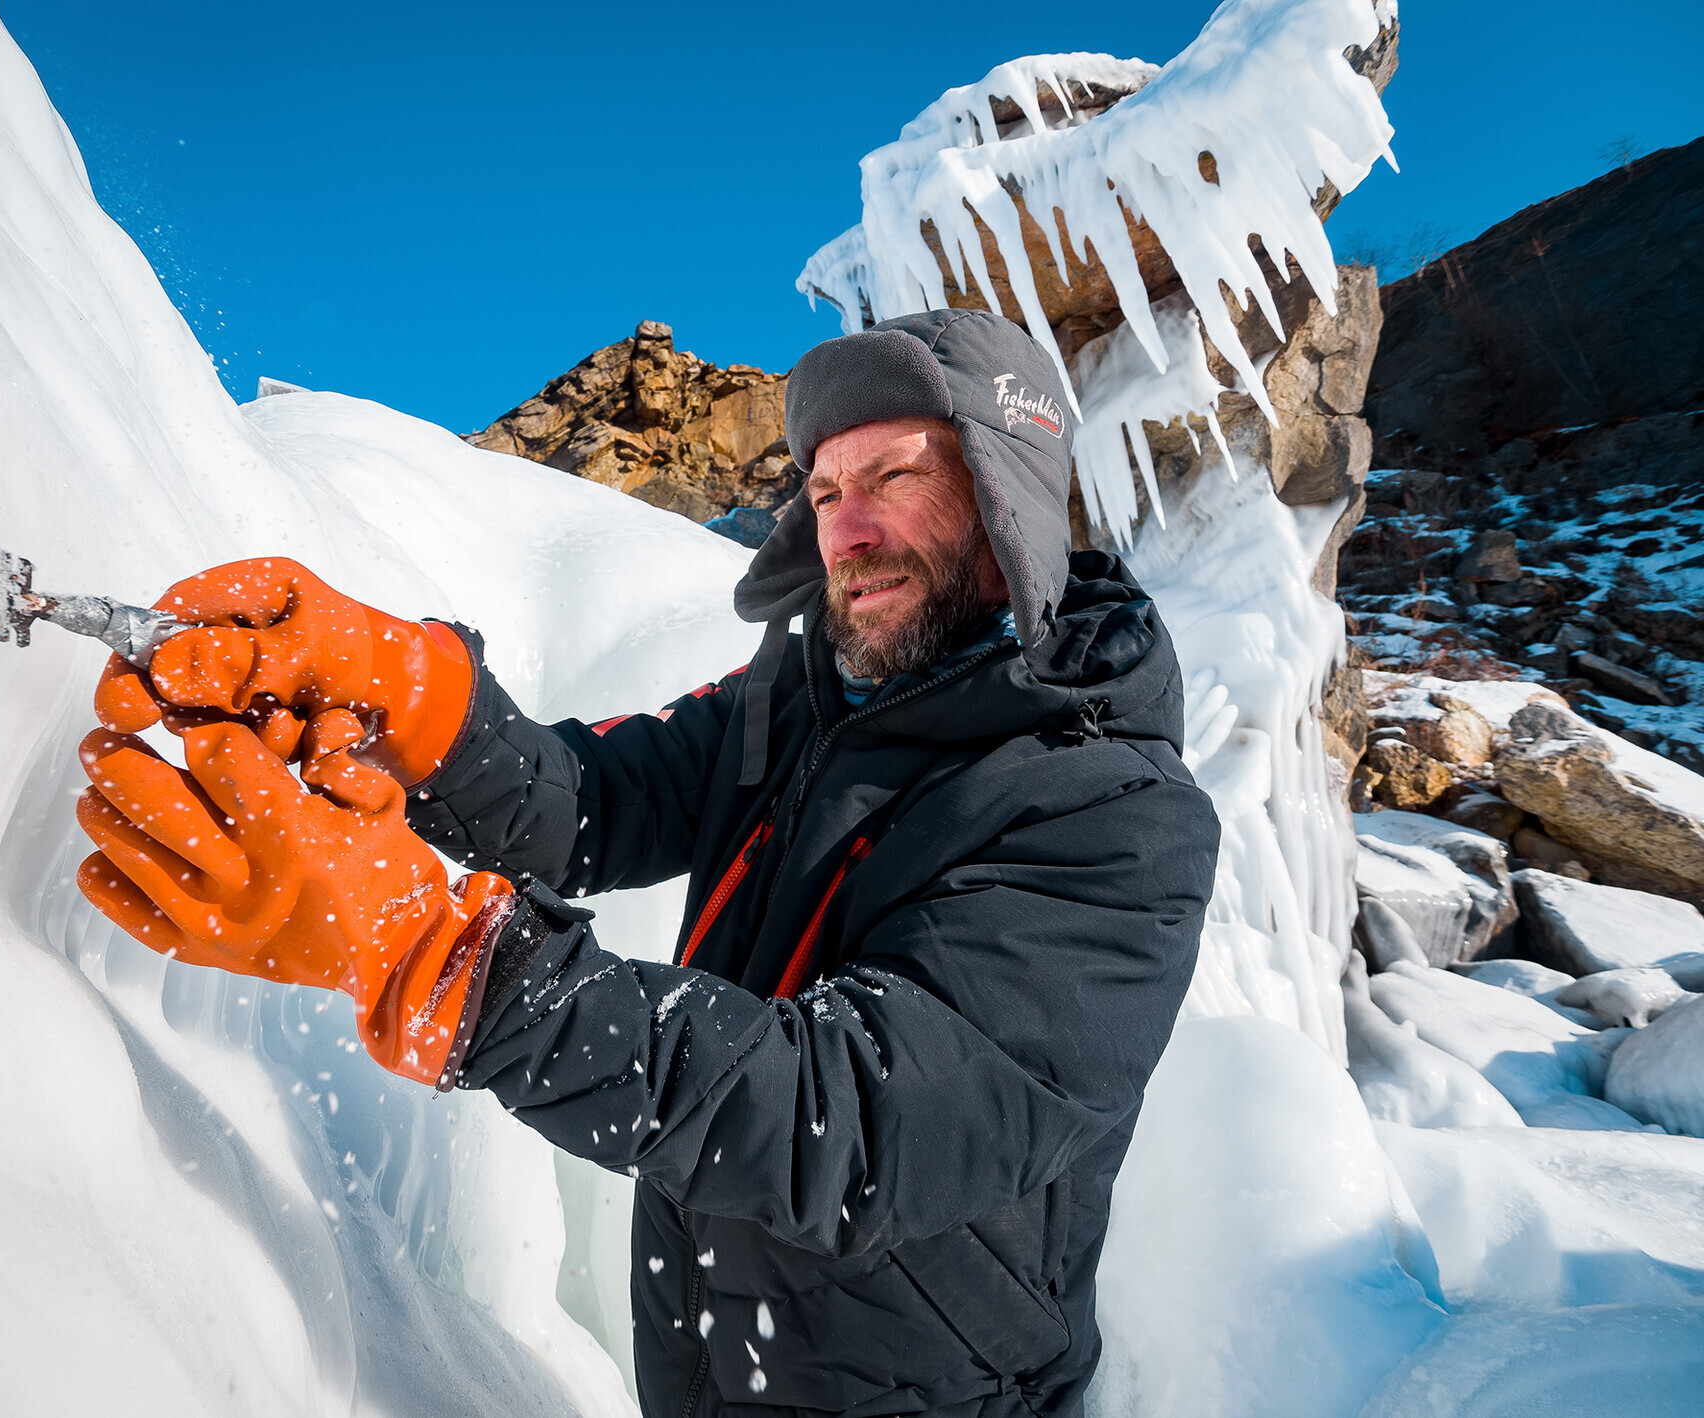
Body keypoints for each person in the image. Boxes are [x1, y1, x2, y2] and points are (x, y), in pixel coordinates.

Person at [76, 307, 1220, 1418]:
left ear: (1005, 493)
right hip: (707, 1371)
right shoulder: (800, 702)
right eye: (824, 489)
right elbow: (591, 802)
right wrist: (412, 701)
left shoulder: (1116, 811)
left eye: (893, 478)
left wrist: (438, 955)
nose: (846, 529)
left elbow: (852, 1117)